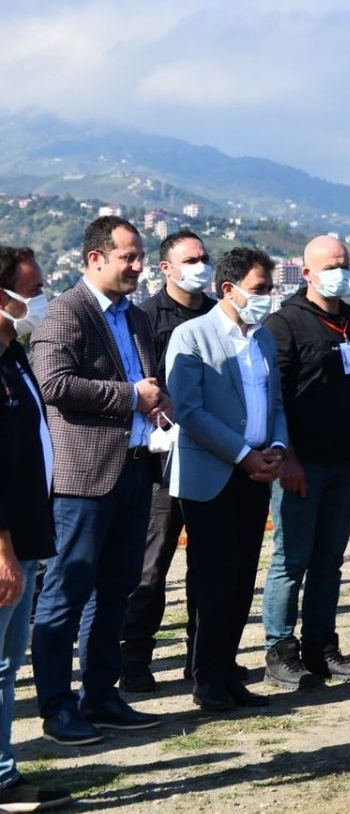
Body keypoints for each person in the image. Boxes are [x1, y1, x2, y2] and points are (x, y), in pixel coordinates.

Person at [31, 215, 168, 744]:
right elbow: (54, 383)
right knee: (66, 593)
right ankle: (56, 707)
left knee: (117, 591)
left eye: (139, 257)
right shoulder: (67, 312)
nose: (137, 266)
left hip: (135, 470)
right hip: (83, 479)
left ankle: (102, 696)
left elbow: (144, 383)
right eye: (128, 257)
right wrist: (132, 397)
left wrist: (157, 405)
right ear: (96, 258)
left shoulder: (133, 318)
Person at [163, 248, 288, 711]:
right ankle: (206, 676)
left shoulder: (264, 340)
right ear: (228, 290)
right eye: (259, 290)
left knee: (240, 580)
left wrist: (275, 448)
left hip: (256, 474)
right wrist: (242, 456)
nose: (266, 299)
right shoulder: (191, 336)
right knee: (213, 580)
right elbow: (189, 409)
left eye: (269, 289)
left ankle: (228, 671)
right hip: (213, 474)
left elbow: (274, 403)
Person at [260, 235, 350, 689]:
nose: (340, 272)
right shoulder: (284, 324)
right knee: (291, 559)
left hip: (346, 460)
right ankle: (280, 649)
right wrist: (287, 457)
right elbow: (274, 399)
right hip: (301, 463)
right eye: (331, 265)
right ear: (306, 273)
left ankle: (322, 645)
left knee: (330, 561)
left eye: (345, 264)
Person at [122, 229, 214, 693]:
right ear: (166, 267)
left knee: (209, 563)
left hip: (211, 458)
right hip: (159, 462)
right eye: (191, 259)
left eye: (204, 257)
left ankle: (203, 660)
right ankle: (135, 659)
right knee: (151, 565)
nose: (200, 265)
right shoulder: (145, 318)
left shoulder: (220, 316)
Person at [0, 247, 73, 810]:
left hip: (27, 536)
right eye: (33, 289)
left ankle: (4, 775)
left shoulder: (14, 356)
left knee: (7, 665)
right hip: (5, 544)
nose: (41, 299)